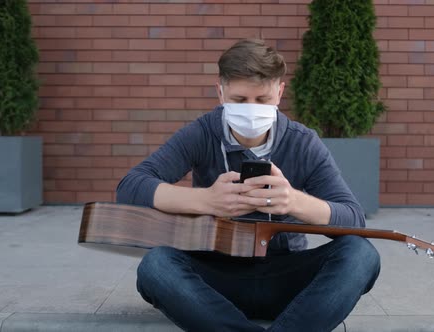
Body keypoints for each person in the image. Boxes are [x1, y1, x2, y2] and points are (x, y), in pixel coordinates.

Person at [116, 39, 380, 332]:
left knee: (361, 255)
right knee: (156, 266)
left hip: (286, 277)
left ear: (279, 92)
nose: (251, 109)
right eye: (240, 100)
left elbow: (354, 218)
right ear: (220, 91)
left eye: (262, 99)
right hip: (214, 277)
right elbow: (130, 187)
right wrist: (207, 201)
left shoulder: (302, 141)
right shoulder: (202, 133)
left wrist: (294, 202)